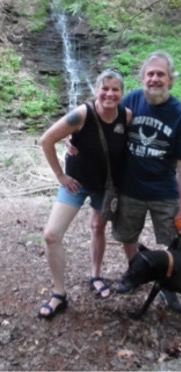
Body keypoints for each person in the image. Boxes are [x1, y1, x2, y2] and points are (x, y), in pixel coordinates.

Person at [38, 69, 131, 319]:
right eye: (105, 88)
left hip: (105, 187)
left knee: (97, 228)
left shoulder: (127, 116)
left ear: (122, 93)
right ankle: (59, 293)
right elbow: (46, 140)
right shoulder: (81, 114)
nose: (109, 93)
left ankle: (95, 275)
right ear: (96, 90)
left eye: (115, 89)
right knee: (51, 235)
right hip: (75, 184)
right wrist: (60, 175)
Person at [112, 51, 181, 312]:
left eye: (160, 74)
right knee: (128, 236)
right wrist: (76, 139)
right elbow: (104, 123)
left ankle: (169, 285)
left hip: (165, 192)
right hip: (130, 189)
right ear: (142, 78)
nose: (154, 79)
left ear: (170, 80)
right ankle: (135, 273)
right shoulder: (131, 101)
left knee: (175, 243)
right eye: (150, 74)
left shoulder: (180, 114)